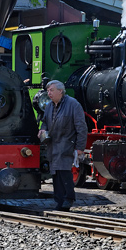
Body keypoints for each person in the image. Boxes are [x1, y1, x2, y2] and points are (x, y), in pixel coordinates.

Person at [38, 80, 87, 211]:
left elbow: (81, 128)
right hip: (53, 144)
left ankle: (68, 199)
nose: (49, 93)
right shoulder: (48, 106)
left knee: (64, 172)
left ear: (60, 91)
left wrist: (80, 148)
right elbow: (45, 122)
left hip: (67, 144)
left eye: (51, 90)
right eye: (48, 90)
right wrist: (42, 130)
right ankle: (59, 200)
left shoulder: (73, 104)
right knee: (55, 173)